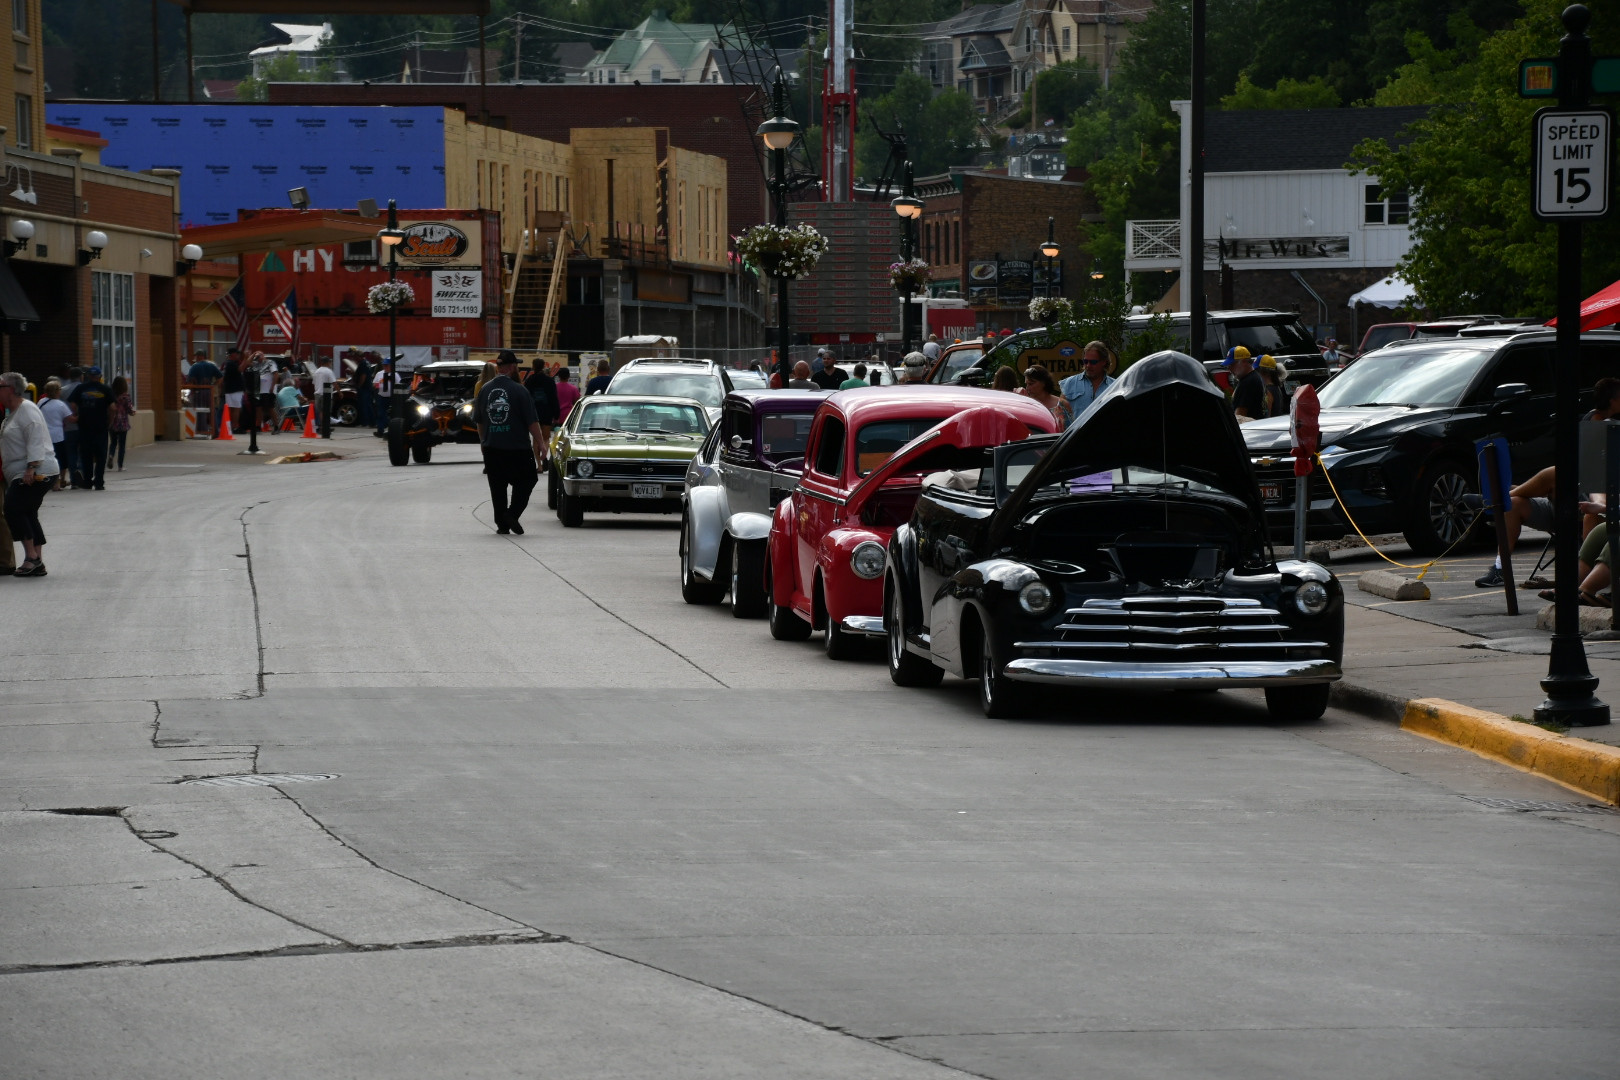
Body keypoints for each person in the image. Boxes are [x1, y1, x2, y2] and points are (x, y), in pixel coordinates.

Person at [474, 350, 544, 536]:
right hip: (517, 448)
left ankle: (502, 524)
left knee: (497, 487)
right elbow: (531, 421)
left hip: (492, 448)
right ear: (512, 367)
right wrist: (541, 443)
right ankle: (511, 514)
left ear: (499, 367)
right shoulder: (520, 390)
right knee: (528, 480)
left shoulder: (484, 389)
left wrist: (483, 441)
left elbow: (479, 421)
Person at [0, 371, 60, 576]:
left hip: (35, 471)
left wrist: (31, 467)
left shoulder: (26, 409)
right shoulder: (13, 412)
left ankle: (32, 558)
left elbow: (35, 437)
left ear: (10, 389)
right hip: (24, 471)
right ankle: (36, 561)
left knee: (13, 509)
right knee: (28, 511)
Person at [67, 366, 113, 491]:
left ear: (88, 376)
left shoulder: (81, 388)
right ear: (100, 377)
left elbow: (72, 403)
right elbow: (113, 407)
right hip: (101, 427)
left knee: (86, 454)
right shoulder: (105, 389)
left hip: (84, 426)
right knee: (101, 455)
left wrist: (77, 414)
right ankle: (99, 482)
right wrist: (110, 421)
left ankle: (87, 481)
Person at [1059, 341, 1116, 427]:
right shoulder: (1068, 384)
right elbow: (1060, 415)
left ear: (1104, 362)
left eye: (1093, 362)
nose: (1088, 365)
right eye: (1085, 361)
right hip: (1077, 434)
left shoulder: (1115, 386)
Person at [523, 361, 559, 463]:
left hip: (533, 412)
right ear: (543, 367)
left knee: (536, 439)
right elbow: (554, 398)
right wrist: (556, 414)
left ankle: (539, 464)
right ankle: (544, 459)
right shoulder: (549, 381)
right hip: (547, 412)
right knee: (546, 438)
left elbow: (526, 398)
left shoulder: (529, 380)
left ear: (533, 367)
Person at [37, 381, 70, 490]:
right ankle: (60, 481)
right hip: (58, 436)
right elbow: (71, 419)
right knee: (61, 460)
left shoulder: (41, 402)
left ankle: (50, 481)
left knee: (47, 459)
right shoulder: (60, 404)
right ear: (56, 391)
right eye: (59, 389)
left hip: (45, 436)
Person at [58, 367, 82, 488]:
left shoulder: (63, 390)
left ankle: (74, 481)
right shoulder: (83, 388)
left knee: (71, 454)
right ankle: (82, 477)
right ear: (80, 376)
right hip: (82, 427)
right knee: (82, 453)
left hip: (68, 427)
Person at [1227, 347, 1264, 421]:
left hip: (1250, 426)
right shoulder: (1254, 377)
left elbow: (1239, 417)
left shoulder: (1248, 382)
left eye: (1232, 364)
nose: (1229, 368)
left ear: (1244, 361)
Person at [107, 376, 134, 471]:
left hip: (113, 422)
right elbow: (129, 409)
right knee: (122, 445)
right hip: (123, 423)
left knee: (113, 443)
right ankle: (120, 466)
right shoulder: (126, 397)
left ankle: (111, 455)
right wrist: (132, 412)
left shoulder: (111, 396)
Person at [310, 355, 336, 434]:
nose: (330, 363)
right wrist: (340, 392)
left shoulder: (316, 371)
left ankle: (323, 427)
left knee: (320, 412)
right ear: (327, 362)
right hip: (326, 394)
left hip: (317, 394)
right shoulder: (329, 371)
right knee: (326, 411)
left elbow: (314, 383)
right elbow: (334, 382)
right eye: (330, 362)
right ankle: (325, 427)